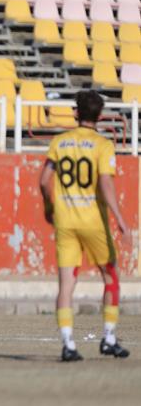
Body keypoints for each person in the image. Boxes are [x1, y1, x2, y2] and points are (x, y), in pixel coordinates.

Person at [39, 90, 130, 362]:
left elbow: (44, 180)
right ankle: (109, 339)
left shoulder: (60, 142)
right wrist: (120, 219)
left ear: (76, 113)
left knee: (66, 284)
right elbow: (105, 182)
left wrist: (49, 208)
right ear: (100, 116)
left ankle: (68, 344)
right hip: (93, 221)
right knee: (110, 276)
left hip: (65, 221)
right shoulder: (103, 145)